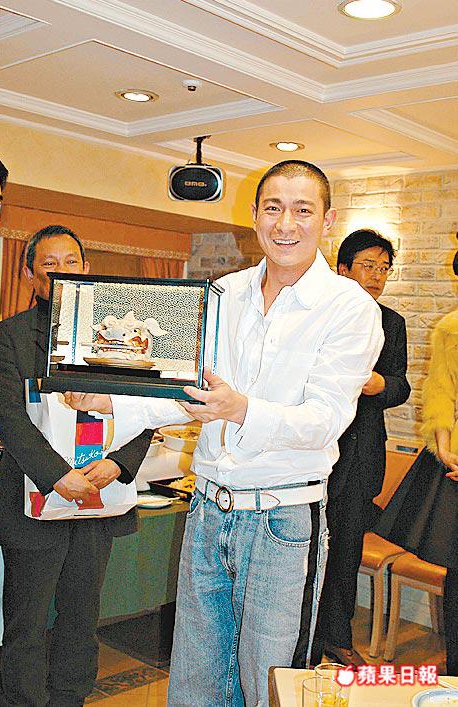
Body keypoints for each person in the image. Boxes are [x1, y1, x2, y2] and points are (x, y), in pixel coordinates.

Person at [66, 160, 384, 706]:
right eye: (273, 208)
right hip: (208, 510)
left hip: (284, 519)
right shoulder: (223, 293)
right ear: (255, 215)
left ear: (327, 220)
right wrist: (111, 400)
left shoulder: (349, 307)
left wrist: (241, 409)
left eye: (302, 210)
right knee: (196, 677)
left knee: (270, 682)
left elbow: (326, 419)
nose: (286, 224)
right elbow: (185, 391)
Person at [0, 224, 153, 707]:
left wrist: (119, 464)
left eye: (72, 262)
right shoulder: (7, 337)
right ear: (30, 275)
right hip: (34, 499)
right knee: (26, 623)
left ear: (87, 269)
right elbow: (7, 416)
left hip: (98, 500)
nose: (62, 272)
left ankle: (70, 698)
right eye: (49, 264)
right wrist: (58, 476)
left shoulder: (118, 335)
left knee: (82, 619)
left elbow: (144, 405)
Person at [311, 229, 411, 666]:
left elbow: (401, 385)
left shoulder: (391, 322)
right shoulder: (317, 314)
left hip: (362, 455)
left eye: (383, 268)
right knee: (306, 547)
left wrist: (380, 384)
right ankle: (302, 639)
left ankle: (337, 637)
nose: (376, 276)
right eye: (367, 266)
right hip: (314, 450)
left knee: (346, 550)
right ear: (342, 269)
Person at [376, 245, 458, 676]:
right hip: (455, 466)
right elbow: (440, 390)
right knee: (456, 573)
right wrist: (443, 446)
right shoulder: (451, 328)